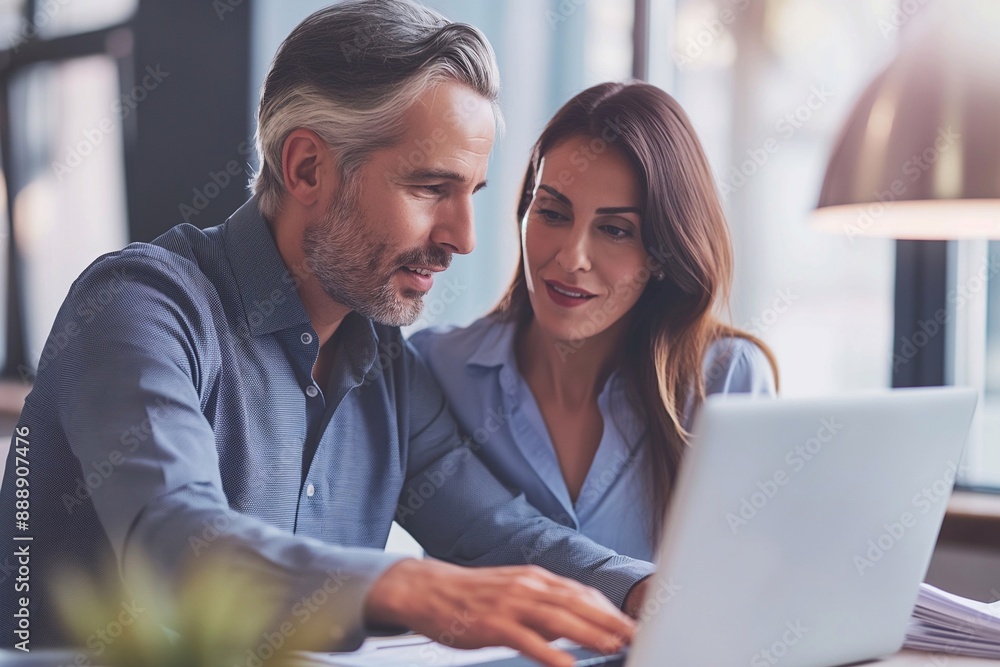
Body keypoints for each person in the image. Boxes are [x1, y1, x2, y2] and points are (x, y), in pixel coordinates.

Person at [0, 4, 654, 665]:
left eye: (472, 194)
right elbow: (178, 539)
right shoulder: (139, 306)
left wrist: (640, 587)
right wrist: (406, 583)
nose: (463, 237)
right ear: (308, 167)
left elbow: (498, 531)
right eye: (432, 188)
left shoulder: (387, 367)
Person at [410, 81, 779, 563]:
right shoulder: (436, 368)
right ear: (525, 211)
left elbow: (754, 585)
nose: (571, 257)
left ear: (664, 252)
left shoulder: (726, 380)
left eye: (615, 230)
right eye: (553, 212)